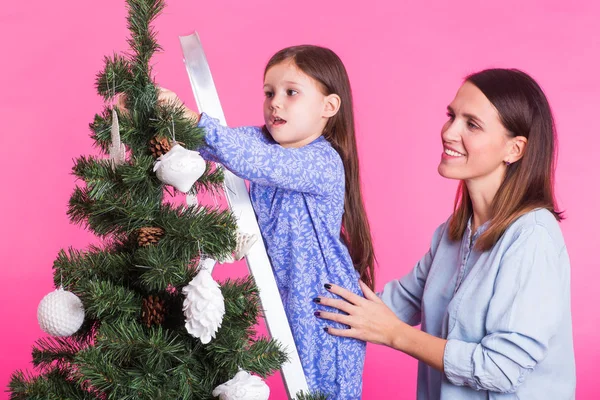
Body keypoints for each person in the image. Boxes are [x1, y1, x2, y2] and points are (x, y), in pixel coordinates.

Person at [316, 69, 576, 399]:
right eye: (452, 116)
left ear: (515, 149)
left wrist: (396, 335)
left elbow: (500, 367)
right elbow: (392, 305)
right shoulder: (452, 234)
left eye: (472, 124)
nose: (449, 132)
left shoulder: (533, 239)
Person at [158, 45, 374, 399]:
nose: (275, 102)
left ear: (328, 107)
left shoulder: (322, 161)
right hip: (287, 294)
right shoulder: (262, 141)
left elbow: (255, 161)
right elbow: (219, 144)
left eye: (291, 93)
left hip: (325, 307)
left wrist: (190, 115)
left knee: (323, 392)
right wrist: (160, 110)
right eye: (269, 92)